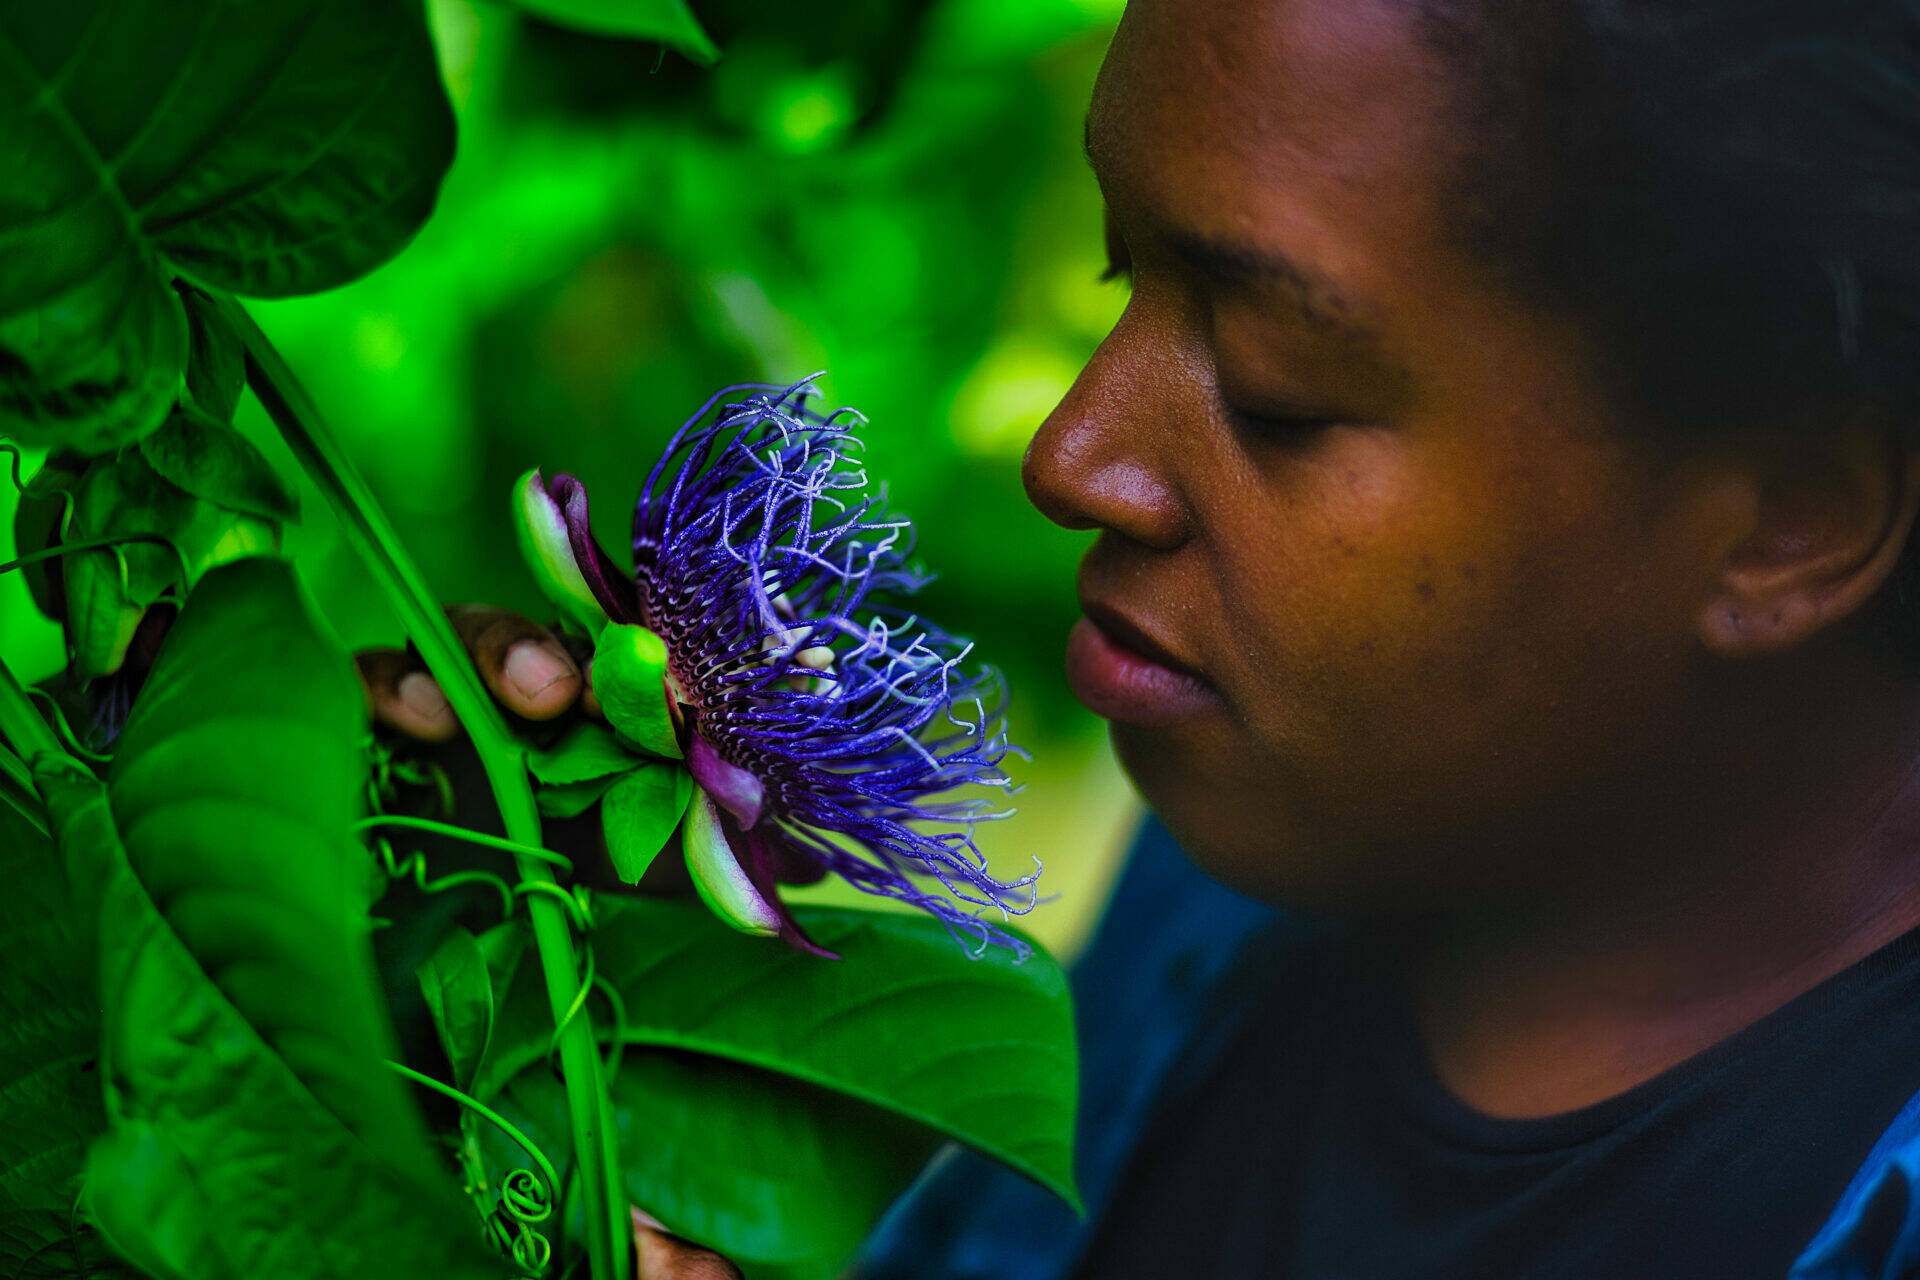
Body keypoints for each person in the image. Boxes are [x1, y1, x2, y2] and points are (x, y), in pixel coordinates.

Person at [371, 0, 1920, 1274]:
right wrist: (520, 1007)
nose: (1070, 454)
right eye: (1123, 273)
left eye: (1278, 388)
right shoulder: (1251, 875)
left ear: (1793, 517)